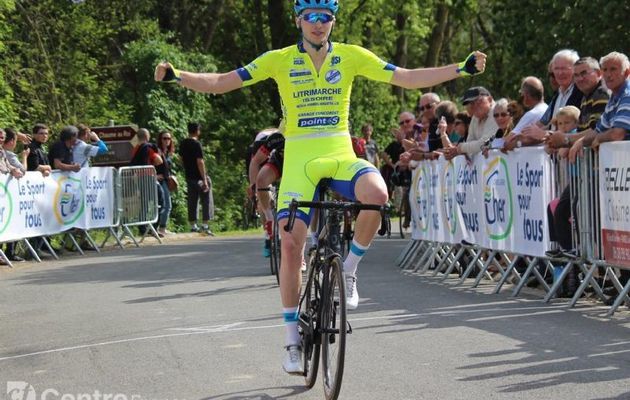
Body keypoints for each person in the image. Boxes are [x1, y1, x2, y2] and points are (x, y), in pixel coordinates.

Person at [154, 0, 486, 375]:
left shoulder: (350, 56)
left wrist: (460, 68)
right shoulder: (279, 59)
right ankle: (291, 340)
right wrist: (177, 75)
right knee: (291, 243)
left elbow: (406, 76)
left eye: (325, 17)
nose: (318, 24)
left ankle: (349, 269)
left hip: (340, 153)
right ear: (299, 20)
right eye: (310, 17)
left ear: (333, 21)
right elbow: (223, 81)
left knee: (376, 195)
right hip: (299, 160)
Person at [247, 128, 285, 256]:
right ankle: (268, 228)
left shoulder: (281, 137)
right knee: (260, 192)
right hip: (262, 157)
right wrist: (253, 186)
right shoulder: (259, 145)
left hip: (280, 153)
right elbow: (254, 163)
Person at [179, 122, 215, 236]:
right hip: (199, 177)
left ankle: (193, 225)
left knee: (192, 200)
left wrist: (187, 167)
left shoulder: (183, 143)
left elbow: (180, 159)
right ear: (197, 131)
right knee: (206, 199)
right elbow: (200, 161)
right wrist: (204, 179)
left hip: (189, 176)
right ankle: (205, 225)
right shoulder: (196, 144)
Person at [443, 86, 497, 160]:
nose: (473, 106)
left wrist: (459, 148)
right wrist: (457, 151)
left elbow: (485, 143)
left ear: (490, 99)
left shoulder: (496, 112)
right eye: (470, 103)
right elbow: (470, 142)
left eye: (478, 101)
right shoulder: (476, 117)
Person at [0, 128, 26, 264]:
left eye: (2, 137)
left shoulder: (3, 152)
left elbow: (7, 165)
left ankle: (7, 252)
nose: (0, 139)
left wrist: (12, 169)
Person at [156, 130, 176, 237]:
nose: (167, 141)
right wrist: (155, 175)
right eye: (164, 138)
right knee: (166, 205)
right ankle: (160, 228)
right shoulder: (158, 151)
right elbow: (151, 164)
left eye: (168, 138)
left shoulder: (167, 152)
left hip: (166, 180)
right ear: (160, 139)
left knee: (166, 205)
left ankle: (162, 228)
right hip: (159, 181)